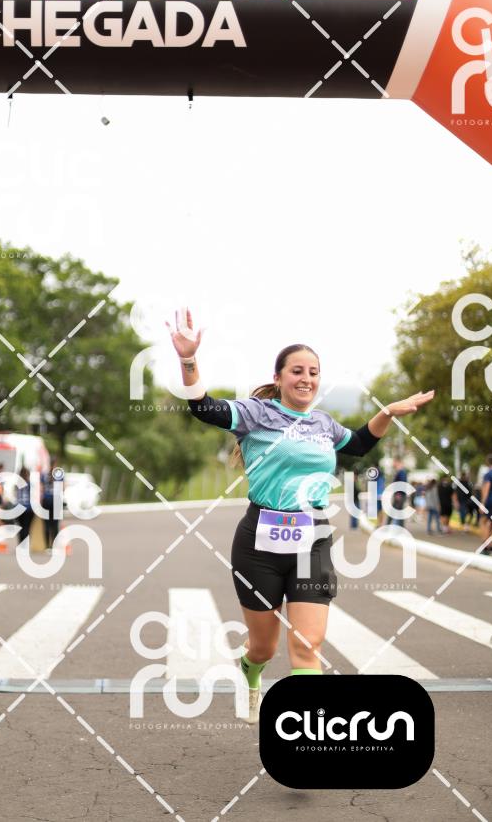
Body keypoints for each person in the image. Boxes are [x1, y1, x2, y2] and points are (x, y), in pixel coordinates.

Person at [167, 307, 435, 724]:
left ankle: (306, 733)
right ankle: (251, 671)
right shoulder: (257, 415)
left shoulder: (324, 424)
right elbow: (204, 408)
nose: (306, 378)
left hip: (312, 540)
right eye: (297, 371)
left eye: (313, 372)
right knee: (264, 647)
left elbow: (358, 444)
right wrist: (188, 358)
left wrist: (387, 413)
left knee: (308, 646)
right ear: (278, 378)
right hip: (258, 544)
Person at [480, 455, 492, 556]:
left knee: (484, 521)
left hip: (491, 500)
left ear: (487, 462)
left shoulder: (488, 474)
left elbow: (486, 489)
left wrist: (482, 503)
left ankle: (486, 547)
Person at [41, 462, 59, 551]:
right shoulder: (59, 475)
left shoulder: (44, 475)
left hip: (46, 500)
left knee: (46, 524)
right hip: (56, 501)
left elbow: (41, 489)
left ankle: (47, 547)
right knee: (55, 525)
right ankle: (54, 546)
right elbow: (63, 488)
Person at [16, 467, 34, 546]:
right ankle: (25, 545)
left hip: (19, 508)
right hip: (28, 508)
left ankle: (21, 544)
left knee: (21, 527)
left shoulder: (17, 484)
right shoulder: (30, 484)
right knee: (27, 528)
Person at [388, 459, 408, 527]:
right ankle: (399, 527)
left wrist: (398, 493)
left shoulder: (401, 472)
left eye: (394, 462)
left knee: (395, 511)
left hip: (399, 495)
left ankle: (389, 526)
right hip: (400, 494)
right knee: (398, 512)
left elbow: (401, 484)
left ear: (398, 463)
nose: (393, 464)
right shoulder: (401, 472)